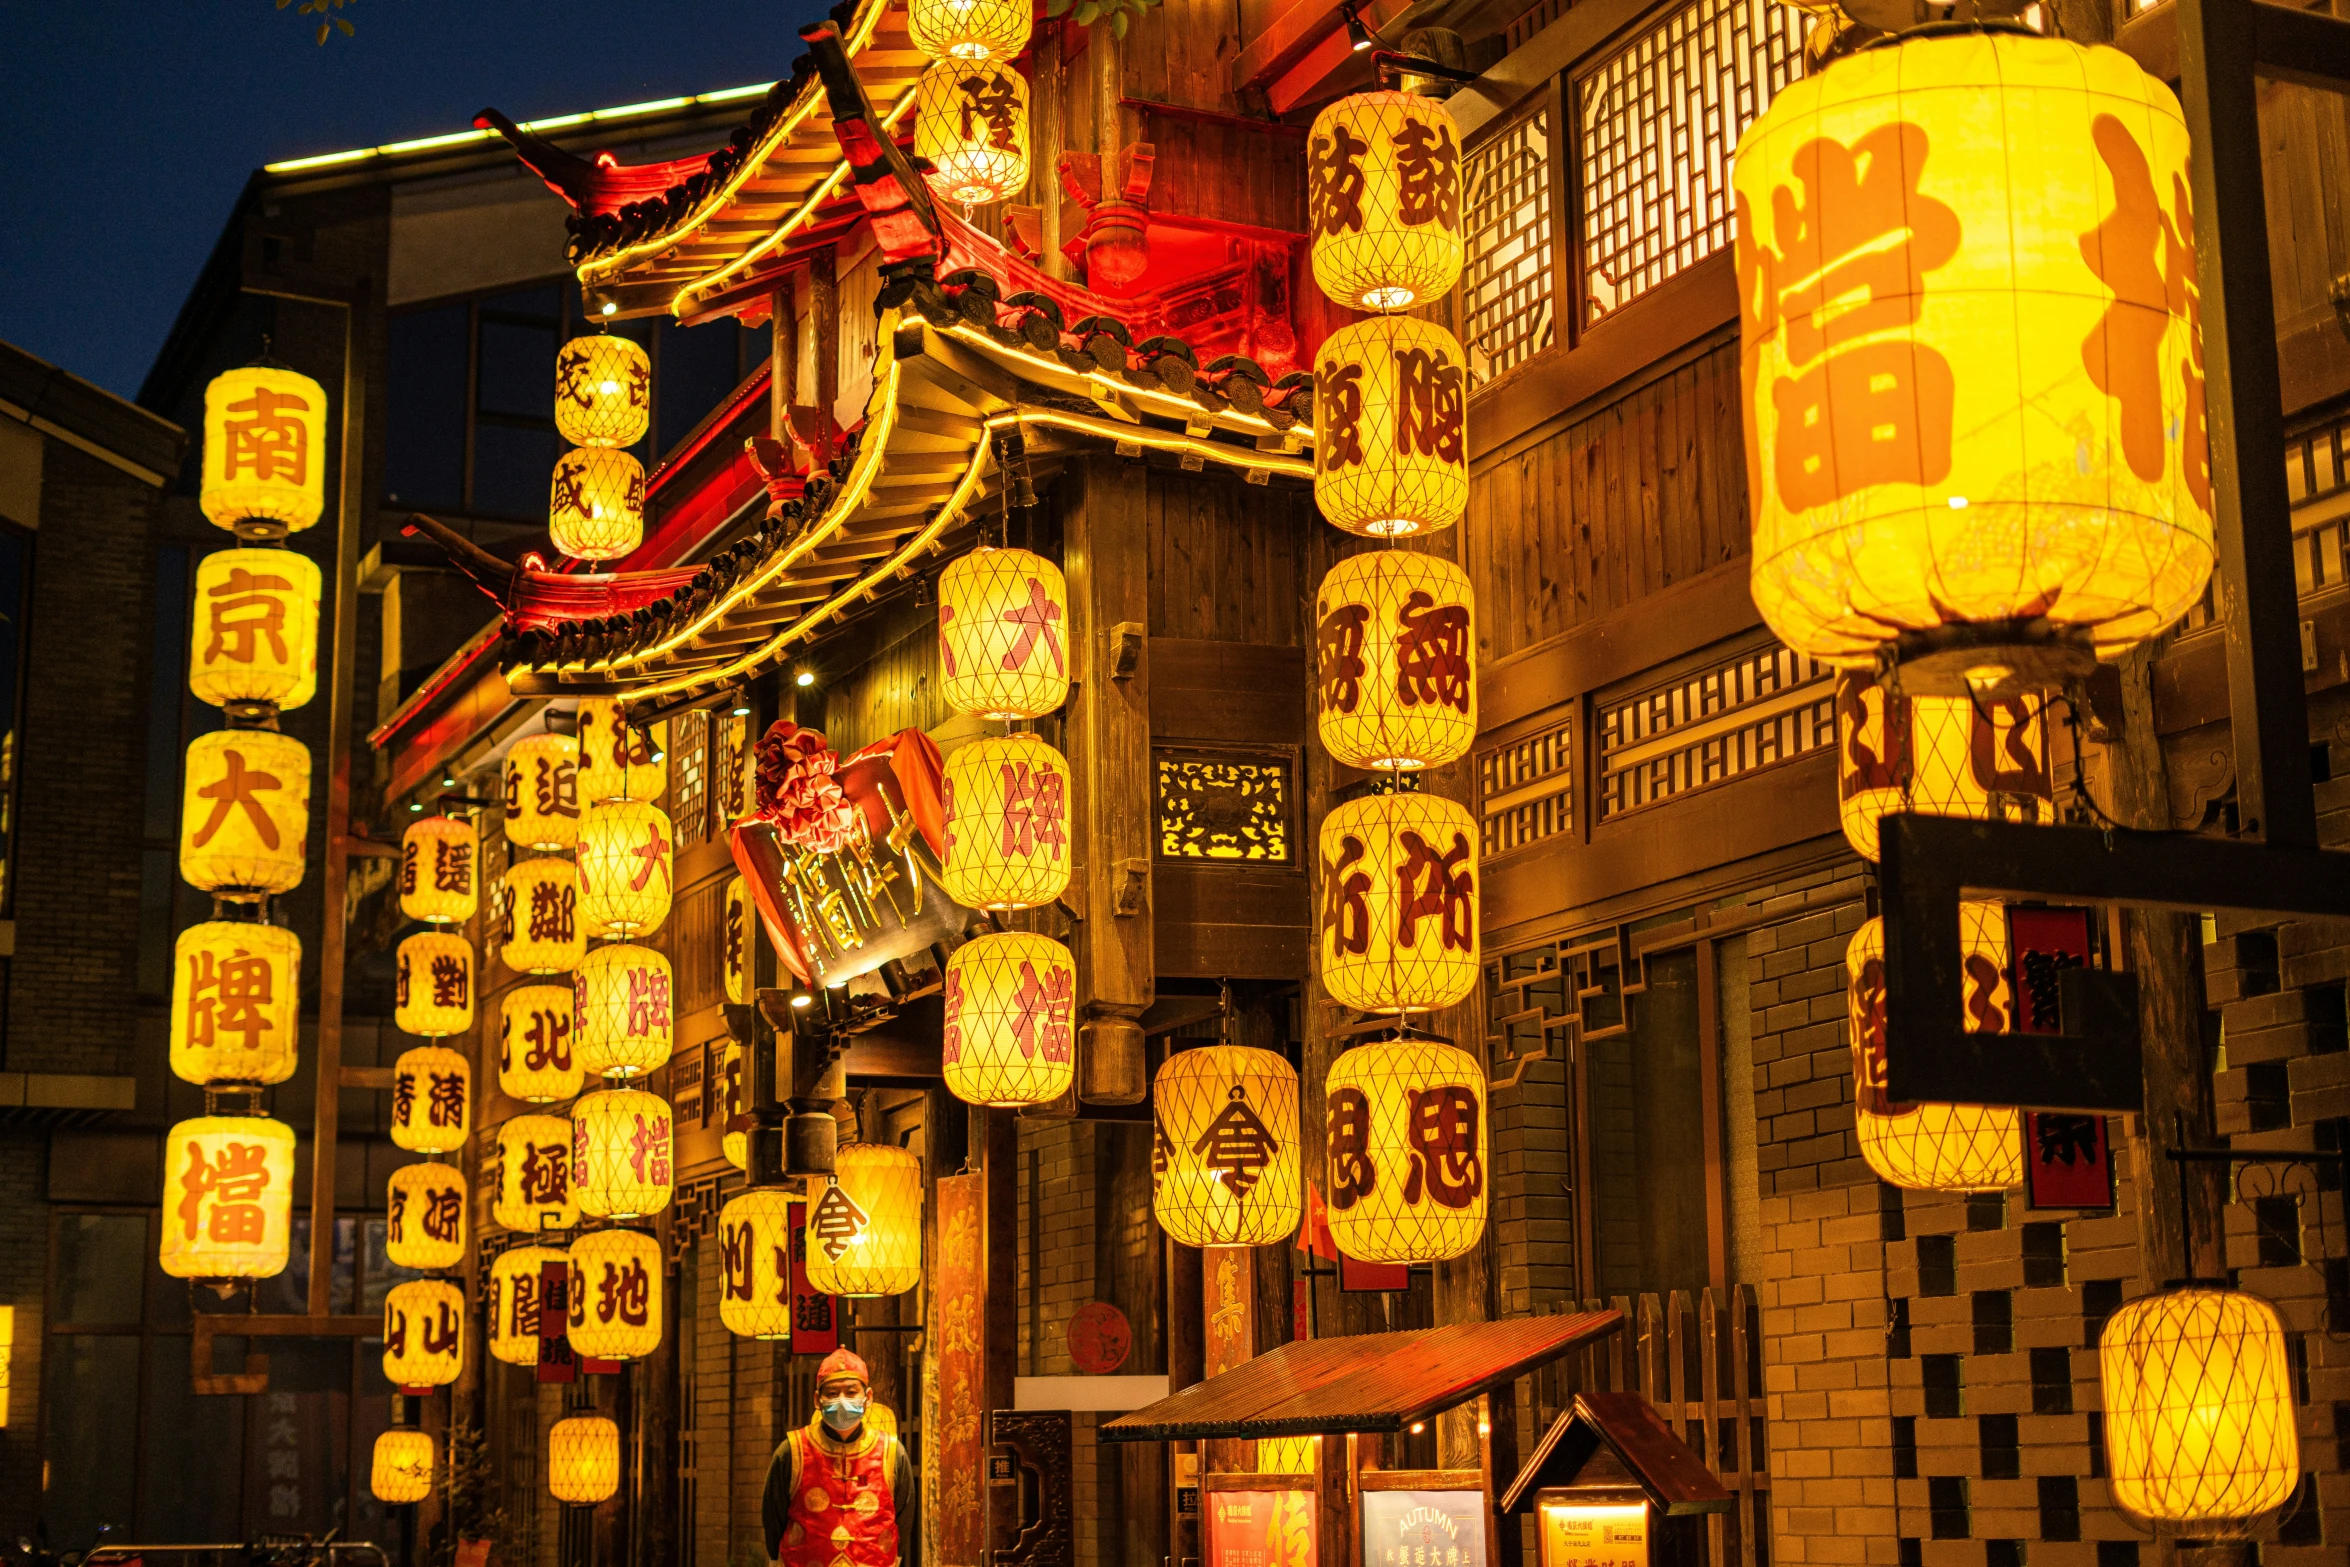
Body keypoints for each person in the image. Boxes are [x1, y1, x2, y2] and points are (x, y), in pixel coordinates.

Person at [763, 1347, 919, 1567]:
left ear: (868, 1397)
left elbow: (904, 1517)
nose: (842, 1400)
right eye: (833, 1393)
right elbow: (773, 1517)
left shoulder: (892, 1452)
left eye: (851, 1392)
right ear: (818, 1399)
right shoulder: (792, 1451)